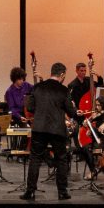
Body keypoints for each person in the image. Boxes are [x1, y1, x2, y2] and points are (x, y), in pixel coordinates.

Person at [22, 62, 77, 200]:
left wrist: (41, 110)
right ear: (62, 74)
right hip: (57, 129)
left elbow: (29, 108)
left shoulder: (37, 87)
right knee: (61, 159)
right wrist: (75, 111)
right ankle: (62, 192)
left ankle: (30, 191)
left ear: (51, 72)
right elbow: (71, 111)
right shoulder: (64, 90)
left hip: (39, 128)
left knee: (35, 159)